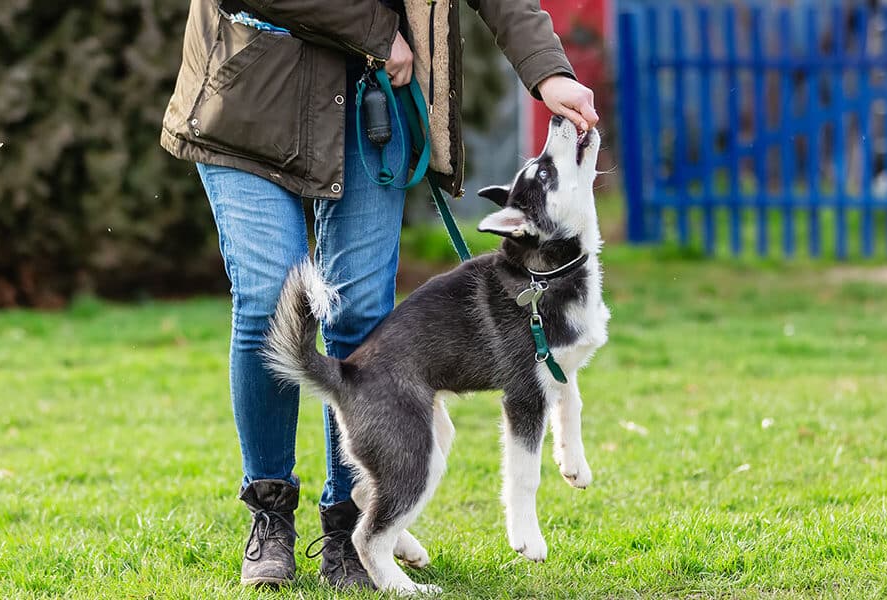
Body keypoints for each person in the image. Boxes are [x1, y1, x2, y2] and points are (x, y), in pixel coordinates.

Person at [160, 0, 599, 590]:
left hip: (371, 105)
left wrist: (550, 71)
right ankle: (270, 509)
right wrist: (375, 31)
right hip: (251, 92)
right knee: (269, 301)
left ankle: (351, 526)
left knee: (360, 310)